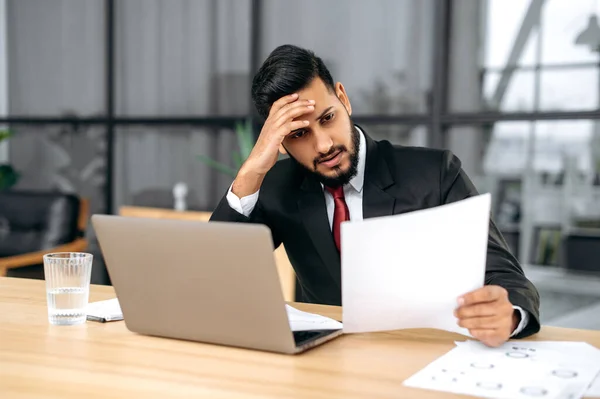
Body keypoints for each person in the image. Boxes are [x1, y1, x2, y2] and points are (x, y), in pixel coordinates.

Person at [210, 44, 540, 347]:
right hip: (323, 362)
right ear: (279, 140)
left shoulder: (435, 173)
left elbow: (505, 274)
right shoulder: (276, 185)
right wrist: (250, 173)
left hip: (423, 351)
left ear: (343, 98)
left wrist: (509, 314)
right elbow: (216, 273)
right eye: (299, 134)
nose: (323, 145)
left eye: (327, 118)